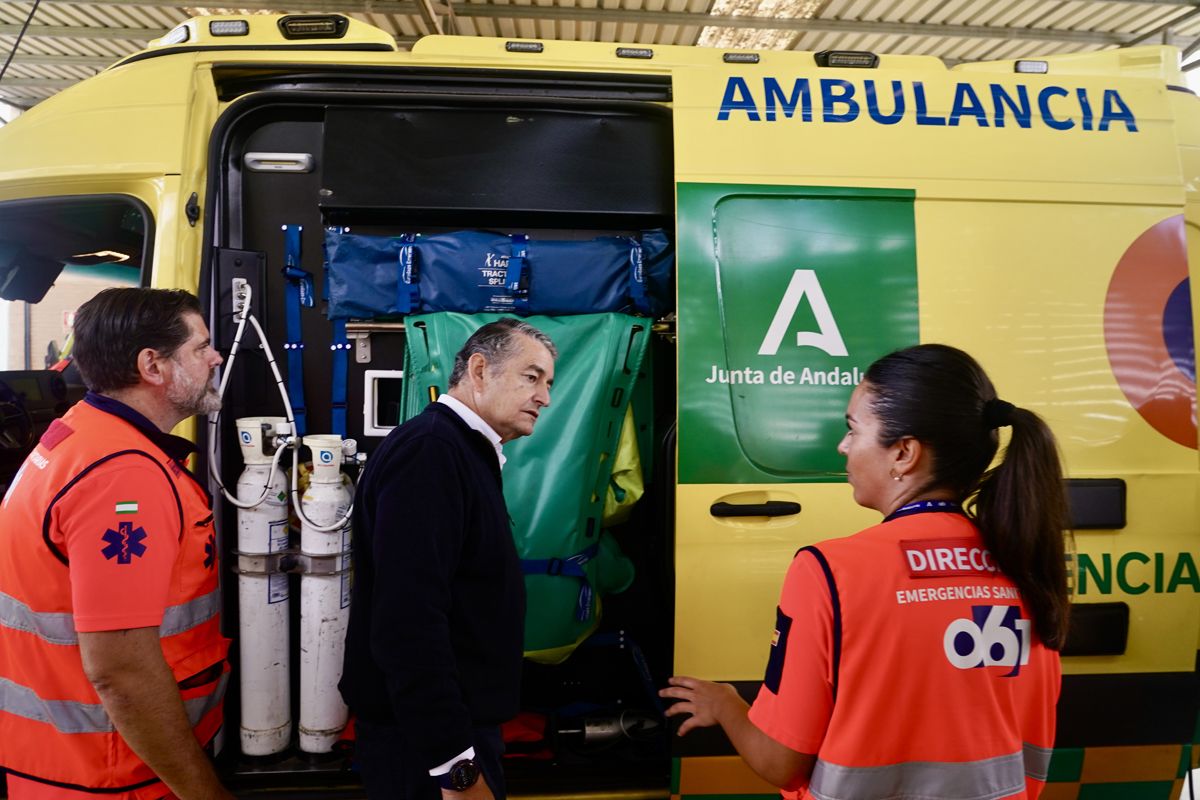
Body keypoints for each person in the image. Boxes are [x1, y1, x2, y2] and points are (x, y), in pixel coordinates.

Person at [661, 344, 1071, 800]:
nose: (843, 446)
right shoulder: (1026, 566)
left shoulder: (829, 572)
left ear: (904, 454)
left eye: (853, 430)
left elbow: (779, 762)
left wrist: (727, 704)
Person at [0, 288, 233, 800]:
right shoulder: (123, 477)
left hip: (75, 760)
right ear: (153, 365)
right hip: (117, 773)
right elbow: (120, 671)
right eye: (202, 347)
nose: (216, 357)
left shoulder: (83, 434)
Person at [340, 318, 557, 800]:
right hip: (428, 748)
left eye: (548, 383)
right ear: (479, 370)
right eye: (531, 377)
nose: (545, 397)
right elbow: (408, 623)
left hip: (446, 733)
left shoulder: (457, 449)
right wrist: (456, 768)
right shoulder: (432, 453)